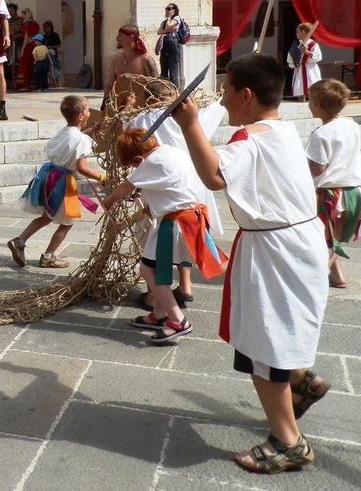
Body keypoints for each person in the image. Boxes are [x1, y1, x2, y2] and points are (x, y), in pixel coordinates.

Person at [172, 53, 330, 474]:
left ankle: (288, 441)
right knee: (281, 326)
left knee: (264, 344)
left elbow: (214, 177)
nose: (221, 100)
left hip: (275, 250)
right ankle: (301, 380)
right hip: (299, 240)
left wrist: (189, 124)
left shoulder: (249, 139)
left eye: (226, 92)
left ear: (245, 95)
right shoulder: (281, 129)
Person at [102, 127, 226, 344]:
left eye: (135, 164)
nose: (137, 168)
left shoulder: (151, 162)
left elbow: (127, 185)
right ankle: (159, 314)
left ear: (140, 157)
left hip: (176, 223)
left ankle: (178, 320)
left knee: (147, 269)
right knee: (160, 268)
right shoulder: (170, 151)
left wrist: (109, 200)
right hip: (188, 218)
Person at [125, 79, 227, 311]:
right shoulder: (193, 113)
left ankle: (154, 295)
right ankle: (185, 285)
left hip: (161, 186)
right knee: (187, 235)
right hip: (194, 181)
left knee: (153, 240)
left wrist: (126, 111)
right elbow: (217, 107)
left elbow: (129, 141)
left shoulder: (143, 119)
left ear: (148, 100)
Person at [7, 95, 105, 268]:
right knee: (67, 223)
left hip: (49, 175)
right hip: (63, 183)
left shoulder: (65, 131)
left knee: (46, 217)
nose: (90, 112)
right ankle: (48, 256)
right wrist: (101, 177)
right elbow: (82, 167)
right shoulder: (81, 140)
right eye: (88, 109)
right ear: (81, 116)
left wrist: (88, 133)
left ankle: (20, 241)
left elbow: (71, 140)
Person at [305, 79, 361, 289]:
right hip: (353, 191)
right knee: (333, 236)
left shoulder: (321, 134)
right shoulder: (351, 125)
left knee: (323, 238)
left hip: (330, 195)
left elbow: (318, 169)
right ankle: (337, 276)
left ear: (317, 106)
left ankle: (320, 272)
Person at [102, 25, 160, 109]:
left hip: (140, 111)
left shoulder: (146, 60)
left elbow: (156, 87)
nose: (117, 38)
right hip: (119, 111)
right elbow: (110, 85)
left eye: (120, 35)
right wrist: (105, 103)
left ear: (131, 37)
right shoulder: (116, 61)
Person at [287, 22, 323, 101]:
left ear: (303, 32)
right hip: (300, 69)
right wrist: (293, 62)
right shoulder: (298, 44)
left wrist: (306, 52)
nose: (296, 34)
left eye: (297, 32)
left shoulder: (313, 44)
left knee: (311, 88)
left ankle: (314, 104)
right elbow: (291, 57)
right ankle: (301, 105)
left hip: (310, 69)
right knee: (300, 89)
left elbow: (318, 57)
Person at [157, 2, 182, 87]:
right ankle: (164, 90)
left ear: (174, 10)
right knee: (164, 69)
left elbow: (168, 26)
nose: (167, 10)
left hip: (173, 44)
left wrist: (169, 17)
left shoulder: (177, 18)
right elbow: (159, 31)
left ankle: (175, 92)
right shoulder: (164, 21)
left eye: (169, 8)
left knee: (173, 71)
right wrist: (169, 30)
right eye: (166, 8)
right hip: (165, 45)